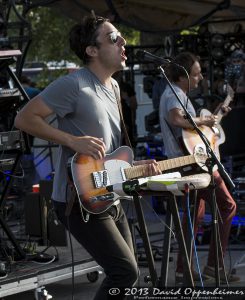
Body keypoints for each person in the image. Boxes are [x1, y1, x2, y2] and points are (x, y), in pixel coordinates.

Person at [14, 14, 161, 299]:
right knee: (125, 272)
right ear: (91, 51)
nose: (123, 42)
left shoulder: (114, 87)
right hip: (77, 200)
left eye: (121, 37)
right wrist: (71, 140)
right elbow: (24, 118)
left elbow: (106, 153)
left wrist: (133, 167)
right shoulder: (73, 85)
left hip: (109, 193)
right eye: (113, 38)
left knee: (128, 279)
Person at [159, 52, 239, 284]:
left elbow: (193, 133)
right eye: (195, 74)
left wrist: (218, 114)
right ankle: (214, 266)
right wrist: (205, 121)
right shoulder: (174, 95)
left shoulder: (177, 94)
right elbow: (176, 119)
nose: (200, 78)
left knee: (195, 215)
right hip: (191, 165)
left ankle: (184, 269)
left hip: (190, 163)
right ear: (182, 76)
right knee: (228, 206)